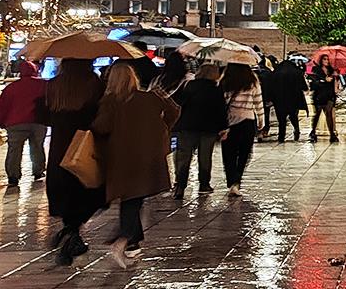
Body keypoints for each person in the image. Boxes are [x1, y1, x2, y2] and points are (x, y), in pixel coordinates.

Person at [92, 64, 179, 268]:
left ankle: (126, 239)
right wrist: (161, 129)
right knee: (134, 198)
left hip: (121, 156)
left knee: (130, 198)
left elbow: (101, 127)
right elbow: (174, 111)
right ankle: (127, 239)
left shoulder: (111, 101)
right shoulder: (149, 97)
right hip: (147, 154)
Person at [45, 59, 106, 265]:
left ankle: (70, 231)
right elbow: (99, 113)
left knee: (64, 191)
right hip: (83, 145)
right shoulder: (93, 82)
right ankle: (72, 234)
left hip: (59, 148)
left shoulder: (54, 85)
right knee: (89, 190)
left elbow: (45, 114)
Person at [172, 64, 227, 198]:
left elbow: (177, 103)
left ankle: (180, 186)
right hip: (209, 128)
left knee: (184, 157)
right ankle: (204, 184)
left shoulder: (188, 86)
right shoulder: (217, 90)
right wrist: (223, 127)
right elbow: (221, 110)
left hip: (187, 126)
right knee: (205, 157)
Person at [0, 60, 48, 186]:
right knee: (37, 147)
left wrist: (1, 121)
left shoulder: (11, 88)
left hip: (16, 123)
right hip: (38, 122)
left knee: (14, 150)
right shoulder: (43, 85)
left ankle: (13, 176)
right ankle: (38, 171)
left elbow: (3, 106)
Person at [220, 63, 261, 197]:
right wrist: (261, 120)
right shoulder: (252, 79)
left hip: (229, 122)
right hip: (248, 121)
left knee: (229, 153)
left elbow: (221, 101)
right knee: (244, 153)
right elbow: (258, 101)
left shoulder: (225, 79)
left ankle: (231, 180)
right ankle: (237, 181)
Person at [270, 58, 307, 143]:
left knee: (281, 119)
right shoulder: (297, 73)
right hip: (293, 99)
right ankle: (296, 129)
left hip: (279, 100)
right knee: (293, 116)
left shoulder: (276, 73)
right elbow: (304, 87)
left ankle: (281, 137)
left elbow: (271, 88)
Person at [308, 55, 339, 143]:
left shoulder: (332, 70)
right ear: (321, 60)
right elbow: (313, 84)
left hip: (329, 95)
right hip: (319, 95)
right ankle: (313, 132)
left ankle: (332, 135)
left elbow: (335, 83)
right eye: (325, 59)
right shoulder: (316, 70)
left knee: (329, 113)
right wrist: (324, 80)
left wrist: (336, 78)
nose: (327, 61)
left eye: (328, 59)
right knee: (317, 114)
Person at [255, 57, 274, 142]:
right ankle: (264, 130)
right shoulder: (268, 72)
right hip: (266, 97)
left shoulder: (254, 72)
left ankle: (258, 130)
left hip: (256, 97)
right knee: (265, 114)